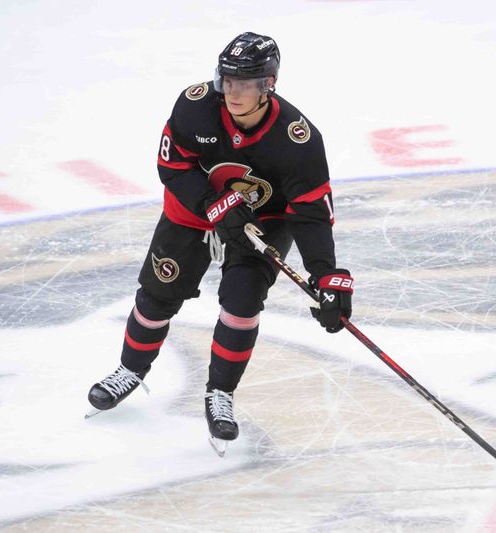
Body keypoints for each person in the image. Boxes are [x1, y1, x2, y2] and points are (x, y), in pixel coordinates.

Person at [87, 32, 354, 455]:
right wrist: (214, 204)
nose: (232, 92)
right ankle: (129, 370)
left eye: (244, 83)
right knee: (157, 295)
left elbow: (310, 213)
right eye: (227, 80)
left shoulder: (297, 138)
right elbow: (170, 167)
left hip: (260, 221)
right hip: (192, 212)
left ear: (269, 84)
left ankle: (220, 394)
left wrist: (327, 275)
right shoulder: (195, 107)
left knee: (242, 302)